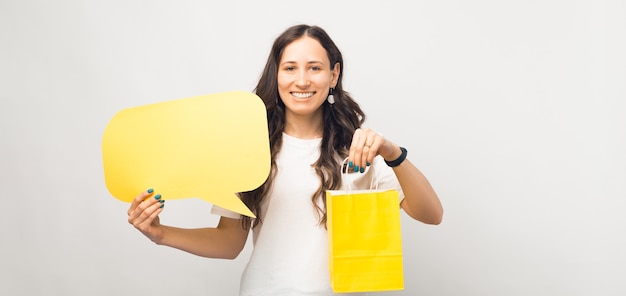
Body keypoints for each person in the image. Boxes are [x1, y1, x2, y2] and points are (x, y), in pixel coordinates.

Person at [126, 24, 443, 295]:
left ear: (334, 75)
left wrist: (392, 153)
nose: (302, 80)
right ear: (276, 75)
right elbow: (229, 243)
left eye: (314, 68)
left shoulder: (358, 149)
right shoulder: (248, 149)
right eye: (290, 68)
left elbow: (431, 214)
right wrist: (161, 233)